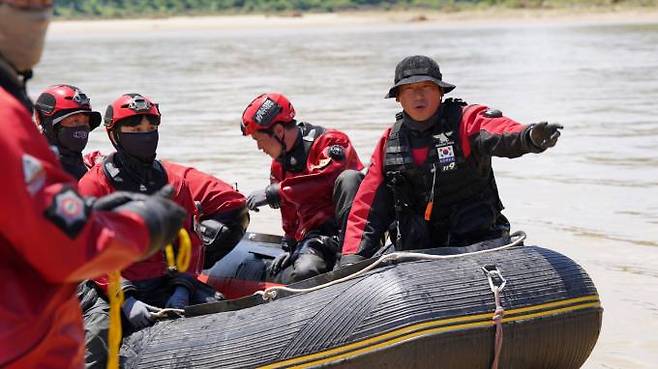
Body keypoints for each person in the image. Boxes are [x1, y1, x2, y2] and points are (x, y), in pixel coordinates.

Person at [0, 1, 187, 368]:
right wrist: (144, 225)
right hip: (26, 340)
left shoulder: (97, 166)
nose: (39, 14)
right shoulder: (9, 123)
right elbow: (64, 245)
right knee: (100, 321)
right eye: (25, 4)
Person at [340, 55, 563, 265]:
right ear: (398, 97)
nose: (419, 96)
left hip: (477, 242)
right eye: (409, 89)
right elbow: (366, 208)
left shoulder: (466, 119)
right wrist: (352, 259)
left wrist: (530, 136)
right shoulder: (389, 142)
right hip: (419, 251)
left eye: (426, 87)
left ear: (440, 92)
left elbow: (501, 132)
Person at [77, 93, 223, 369]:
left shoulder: (174, 183)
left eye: (151, 129)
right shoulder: (94, 185)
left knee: (219, 307)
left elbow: (191, 243)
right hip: (110, 286)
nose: (145, 136)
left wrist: (183, 286)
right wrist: (126, 298)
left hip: (162, 279)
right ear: (115, 135)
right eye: (134, 130)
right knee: (98, 336)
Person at [241, 92, 364, 283]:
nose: (259, 147)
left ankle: (353, 255)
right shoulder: (278, 166)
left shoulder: (331, 141)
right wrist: (290, 245)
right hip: (318, 238)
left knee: (349, 179)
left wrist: (275, 192)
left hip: (356, 230)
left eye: (259, 139)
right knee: (304, 272)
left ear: (279, 131)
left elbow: (325, 179)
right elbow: (290, 212)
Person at [33, 84, 102, 179]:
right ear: (41, 119)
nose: (81, 128)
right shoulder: (35, 172)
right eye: (74, 121)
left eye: (86, 122)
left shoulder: (92, 166)